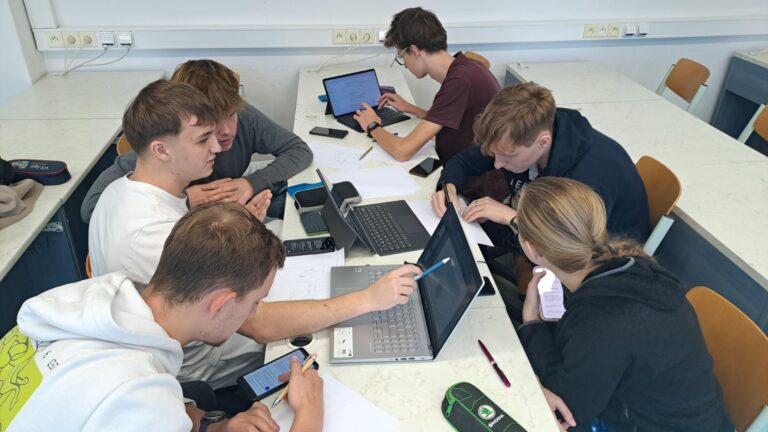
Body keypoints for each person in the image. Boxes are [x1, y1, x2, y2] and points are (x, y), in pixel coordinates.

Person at [88, 79, 422, 394]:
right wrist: (368, 299)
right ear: (162, 150)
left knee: (287, 243)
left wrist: (239, 225)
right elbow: (260, 324)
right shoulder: (151, 235)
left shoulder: (121, 190)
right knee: (333, 336)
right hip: (200, 364)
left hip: (187, 330)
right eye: (202, 140)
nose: (216, 146)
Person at [1, 203, 324, 432]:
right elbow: (140, 406)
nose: (254, 311)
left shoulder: (87, 300)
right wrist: (309, 415)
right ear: (221, 304)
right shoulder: (138, 397)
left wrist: (214, 426)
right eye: (255, 301)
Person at [514, 177, 732, 431]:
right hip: (696, 418)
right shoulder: (634, 266)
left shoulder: (600, 319)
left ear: (532, 249)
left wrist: (532, 322)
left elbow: (569, 407)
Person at [81, 59, 313, 223]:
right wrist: (182, 201)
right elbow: (91, 209)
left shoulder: (243, 116)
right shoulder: (158, 153)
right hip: (193, 229)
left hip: (228, 214)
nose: (225, 132)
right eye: (210, 126)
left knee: (302, 207)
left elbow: (298, 150)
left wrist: (250, 183)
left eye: (231, 115)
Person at [432, 82, 649, 243]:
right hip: (537, 228)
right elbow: (465, 161)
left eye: (507, 157)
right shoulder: (515, 137)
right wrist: (449, 187)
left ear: (542, 142)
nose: (497, 164)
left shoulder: (588, 177)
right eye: (494, 154)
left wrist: (512, 218)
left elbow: (571, 248)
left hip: (593, 260)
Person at [353, 7, 500, 162]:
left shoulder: (458, 83)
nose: (405, 65)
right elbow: (448, 118)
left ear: (414, 50)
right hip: (471, 159)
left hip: (472, 172)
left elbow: (402, 151)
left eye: (402, 57)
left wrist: (372, 126)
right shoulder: (467, 65)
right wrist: (411, 108)